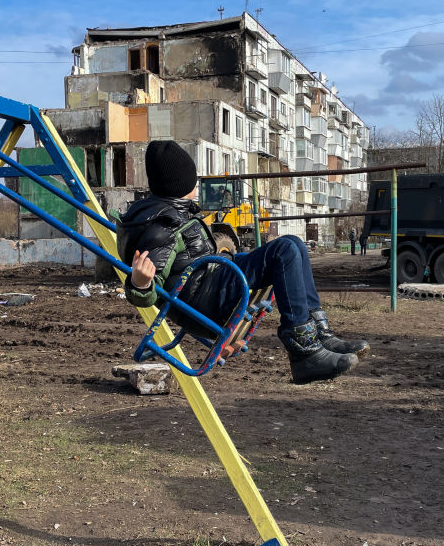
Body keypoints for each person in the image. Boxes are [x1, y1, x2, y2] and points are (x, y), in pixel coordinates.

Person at [119, 141, 369, 385]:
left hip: (209, 287)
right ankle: (304, 352)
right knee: (284, 250)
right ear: (182, 184)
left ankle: (319, 334)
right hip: (205, 304)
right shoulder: (163, 225)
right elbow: (148, 289)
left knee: (294, 243)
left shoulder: (174, 213)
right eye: (193, 180)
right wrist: (141, 284)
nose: (197, 185)